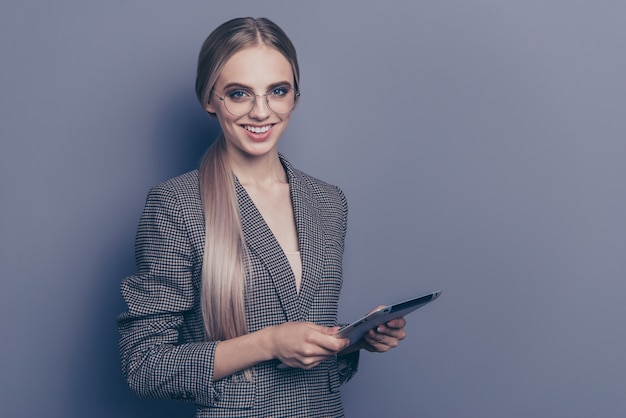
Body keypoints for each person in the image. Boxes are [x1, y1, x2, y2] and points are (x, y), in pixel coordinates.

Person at [117, 17, 407, 417]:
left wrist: (354, 339)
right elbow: (144, 366)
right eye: (239, 94)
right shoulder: (176, 205)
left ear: (295, 97)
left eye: (277, 91)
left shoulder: (328, 202)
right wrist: (268, 343)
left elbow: (310, 361)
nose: (261, 111)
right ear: (209, 99)